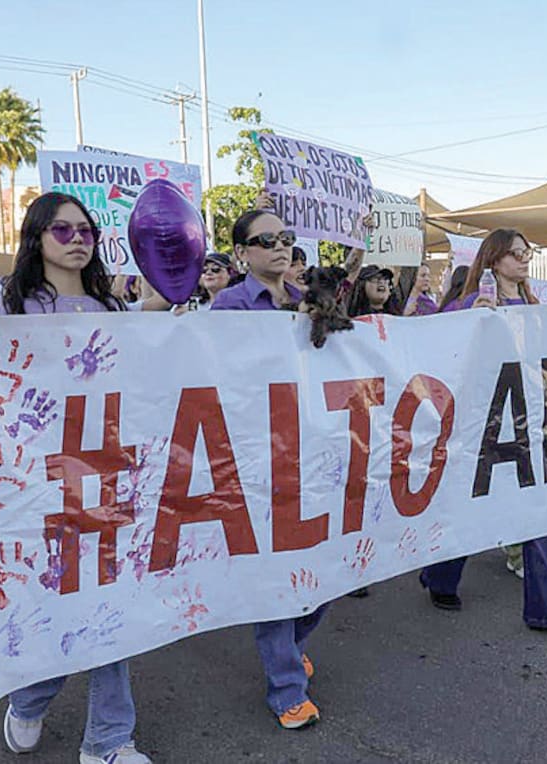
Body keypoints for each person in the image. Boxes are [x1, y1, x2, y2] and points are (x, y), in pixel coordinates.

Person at [0, 192, 156, 763]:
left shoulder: (112, 307)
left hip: (107, 477)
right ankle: (32, 696)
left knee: (112, 606)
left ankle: (109, 740)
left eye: (86, 230)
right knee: (56, 607)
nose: (78, 239)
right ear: (36, 237)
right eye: (62, 230)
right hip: (32, 484)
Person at [419, 228, 547, 646]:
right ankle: (440, 577)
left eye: (527, 252)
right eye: (516, 253)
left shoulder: (534, 305)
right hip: (481, 423)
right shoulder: (471, 302)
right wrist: (468, 316)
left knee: (538, 513)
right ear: (494, 259)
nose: (524, 259)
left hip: (526, 421)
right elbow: (437, 341)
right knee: (468, 504)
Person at [210, 209, 328, 730]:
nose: (280, 246)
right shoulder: (229, 306)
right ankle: (286, 689)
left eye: (286, 238)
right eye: (266, 240)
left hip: (313, 451)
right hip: (257, 453)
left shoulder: (309, 302)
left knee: (326, 566)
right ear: (242, 253)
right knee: (277, 576)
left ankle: (291, 647)